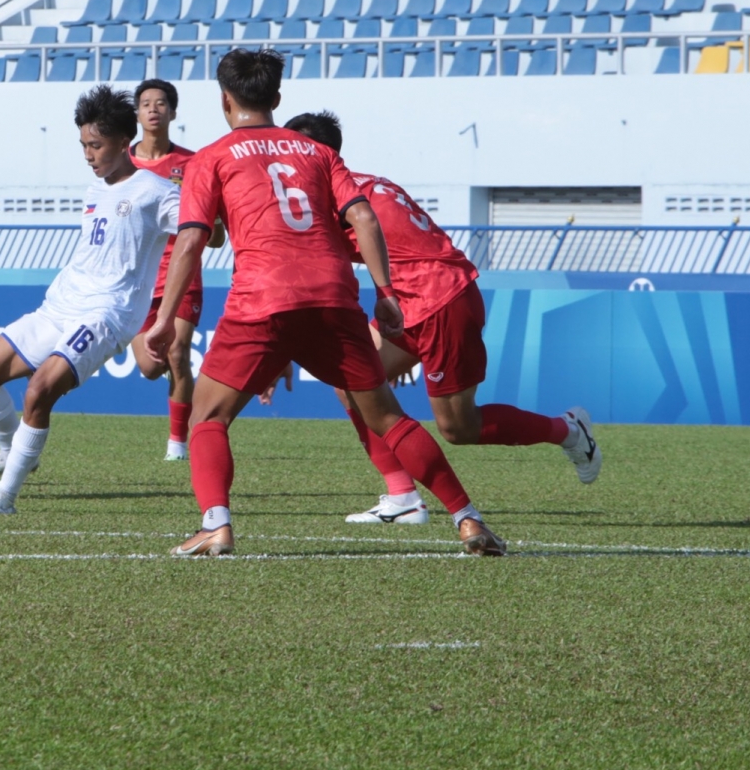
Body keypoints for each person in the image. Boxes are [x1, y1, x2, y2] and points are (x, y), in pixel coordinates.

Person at [143, 48, 505, 558]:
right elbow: (365, 219)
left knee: (208, 417)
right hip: (333, 295)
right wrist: (384, 294)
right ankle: (468, 519)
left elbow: (189, 242)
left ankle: (216, 525)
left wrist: (162, 320)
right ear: (277, 98)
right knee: (388, 417)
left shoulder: (212, 157)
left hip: (261, 297)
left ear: (225, 101)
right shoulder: (318, 154)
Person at [281, 112, 599, 523]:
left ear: (315, 155)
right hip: (411, 301)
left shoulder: (333, 200)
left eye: (289, 150)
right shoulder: (364, 183)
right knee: (351, 385)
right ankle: (403, 497)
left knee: (458, 429)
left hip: (441, 301)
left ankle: (569, 430)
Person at [0, 86, 181, 515]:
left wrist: (210, 215)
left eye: (95, 145)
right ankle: (15, 453)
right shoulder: (94, 191)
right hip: (58, 306)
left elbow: (205, 233)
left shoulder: (156, 190)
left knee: (40, 390)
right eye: (83, 145)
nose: (88, 154)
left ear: (124, 141)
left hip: (106, 314)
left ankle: (4, 496)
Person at [127, 78, 204, 461]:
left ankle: (177, 442)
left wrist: (214, 227)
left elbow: (214, 231)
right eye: (146, 103)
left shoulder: (193, 164)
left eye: (161, 103)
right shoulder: (122, 163)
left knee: (178, 352)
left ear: (173, 112)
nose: (153, 108)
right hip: (136, 278)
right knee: (149, 368)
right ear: (137, 114)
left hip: (182, 275)